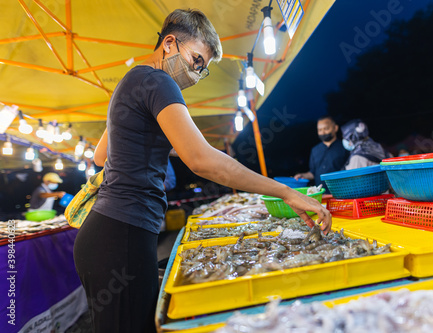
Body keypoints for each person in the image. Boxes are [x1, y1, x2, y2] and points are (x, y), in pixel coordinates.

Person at [73, 9, 331, 333]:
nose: (197, 74)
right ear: (169, 43)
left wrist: (153, 142)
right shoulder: (158, 81)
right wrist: (285, 191)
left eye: (203, 69)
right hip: (122, 233)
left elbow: (101, 155)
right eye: (197, 60)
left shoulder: (133, 80)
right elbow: (202, 161)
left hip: (103, 236)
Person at [294, 115, 349, 189]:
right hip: (320, 193)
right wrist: (303, 175)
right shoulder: (315, 150)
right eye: (319, 130)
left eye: (326, 128)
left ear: (335, 128)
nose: (322, 132)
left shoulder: (345, 147)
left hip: (341, 192)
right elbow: (313, 173)